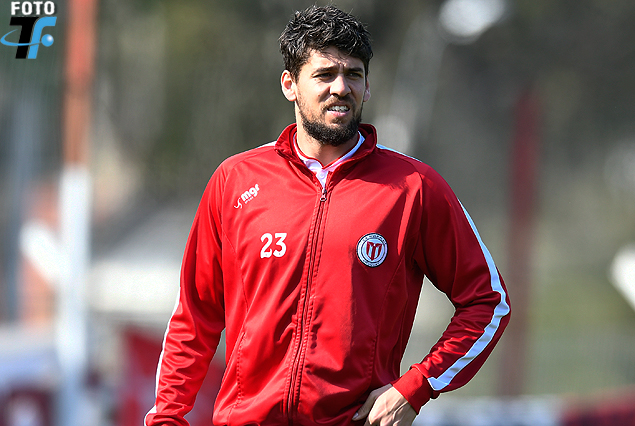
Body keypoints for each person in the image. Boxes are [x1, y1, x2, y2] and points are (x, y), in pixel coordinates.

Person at [145, 5, 510, 426]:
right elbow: (195, 318)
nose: (341, 87)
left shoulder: (414, 187)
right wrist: (167, 417)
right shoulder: (235, 180)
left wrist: (416, 386)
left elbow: (488, 302)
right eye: (324, 75)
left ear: (367, 87)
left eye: (353, 74)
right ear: (290, 85)